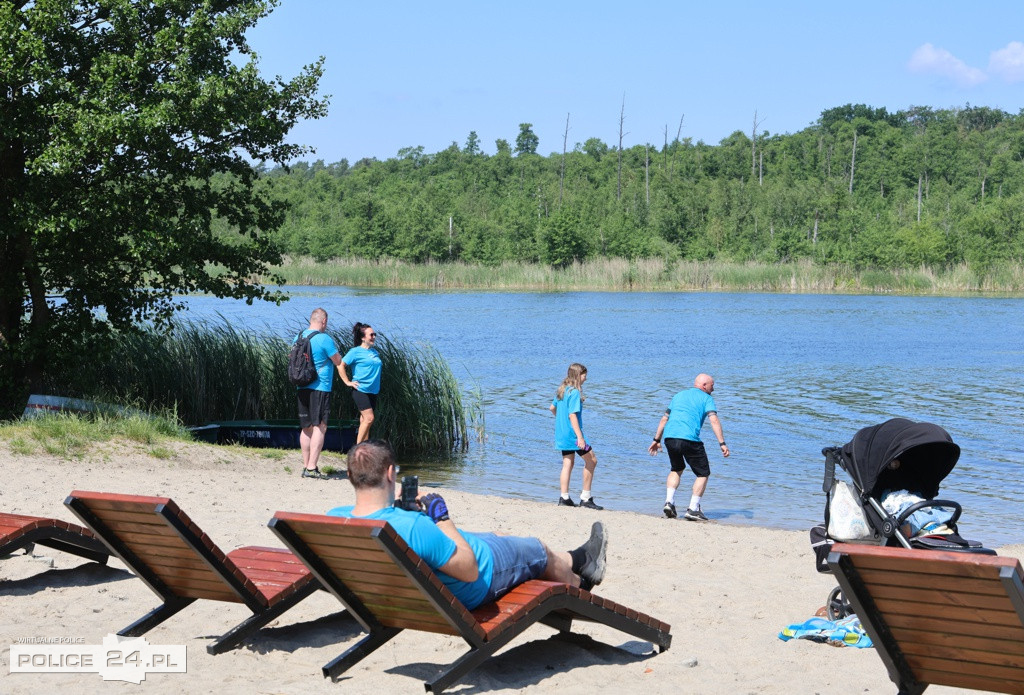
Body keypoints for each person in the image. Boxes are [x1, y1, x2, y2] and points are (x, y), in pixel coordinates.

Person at [327, 440, 608, 610]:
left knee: (498, 535)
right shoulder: (411, 527)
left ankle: (577, 558)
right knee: (537, 550)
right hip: (478, 582)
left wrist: (394, 505)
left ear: (351, 475)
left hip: (408, 593)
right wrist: (441, 516)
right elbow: (469, 570)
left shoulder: (334, 518)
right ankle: (579, 584)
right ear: (390, 474)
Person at [648, 373, 730, 521]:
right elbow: (714, 421)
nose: (714, 389)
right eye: (712, 385)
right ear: (704, 385)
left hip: (670, 438)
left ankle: (669, 502)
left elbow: (664, 418)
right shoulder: (707, 398)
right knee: (703, 473)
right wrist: (722, 443)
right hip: (689, 439)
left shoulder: (678, 395)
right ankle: (693, 508)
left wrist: (656, 439)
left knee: (676, 469)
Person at [295, 308, 345, 480]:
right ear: (324, 321)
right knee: (320, 427)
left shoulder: (299, 336)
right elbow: (338, 360)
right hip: (320, 387)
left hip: (302, 387)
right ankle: (312, 467)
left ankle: (305, 465)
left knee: (306, 427)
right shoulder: (324, 339)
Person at [549, 363, 602, 510]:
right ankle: (585, 498)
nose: (586, 378)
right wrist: (580, 437)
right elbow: (572, 415)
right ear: (578, 375)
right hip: (573, 435)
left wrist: (561, 421)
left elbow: (552, 408)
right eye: (584, 375)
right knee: (592, 460)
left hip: (562, 434)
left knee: (567, 464)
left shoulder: (562, 390)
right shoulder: (574, 392)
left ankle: (564, 497)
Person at [340, 322, 382, 444]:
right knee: (369, 418)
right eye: (371, 335)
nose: (374, 337)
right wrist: (347, 382)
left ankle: (365, 447)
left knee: (364, 420)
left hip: (373, 391)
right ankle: (358, 450)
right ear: (363, 338)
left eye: (375, 334)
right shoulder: (355, 352)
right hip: (360, 390)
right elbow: (341, 365)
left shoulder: (374, 352)